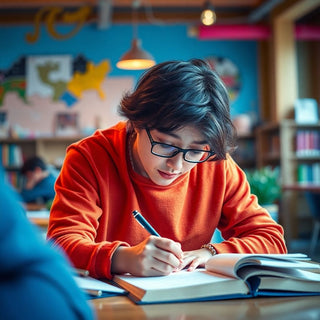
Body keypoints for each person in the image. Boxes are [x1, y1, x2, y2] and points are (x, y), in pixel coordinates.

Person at [47, 59, 287, 280]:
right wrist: (124, 258)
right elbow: (61, 243)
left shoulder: (215, 162)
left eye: (194, 151)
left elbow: (271, 239)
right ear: (137, 123)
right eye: (166, 144)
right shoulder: (90, 157)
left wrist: (211, 253)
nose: (177, 165)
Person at [0, 164, 95, 320]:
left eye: (29, 177)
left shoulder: (50, 179)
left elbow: (26, 196)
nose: (27, 181)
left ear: (37, 170)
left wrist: (29, 186)